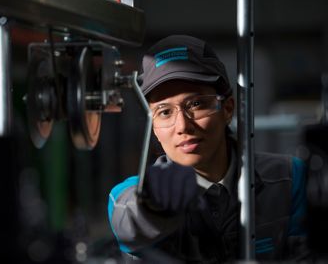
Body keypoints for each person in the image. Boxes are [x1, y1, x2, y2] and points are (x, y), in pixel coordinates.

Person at [107, 35, 309, 263]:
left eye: (196, 104)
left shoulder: (288, 177)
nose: (183, 126)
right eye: (164, 112)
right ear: (152, 127)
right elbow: (129, 217)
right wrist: (153, 203)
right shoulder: (128, 196)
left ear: (228, 108)